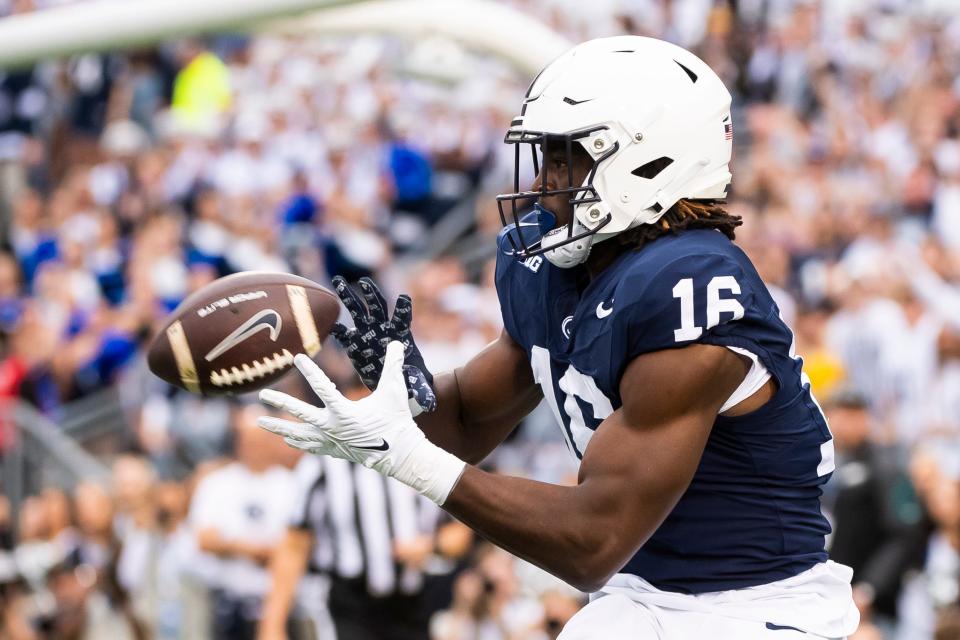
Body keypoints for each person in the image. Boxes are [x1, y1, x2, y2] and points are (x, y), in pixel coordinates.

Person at [259, 36, 859, 639]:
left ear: (649, 161)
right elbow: (466, 423)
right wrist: (401, 396)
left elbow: (592, 543)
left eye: (566, 159)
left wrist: (409, 459)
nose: (544, 184)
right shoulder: (561, 268)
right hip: (642, 597)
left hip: (754, 609)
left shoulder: (690, 288)